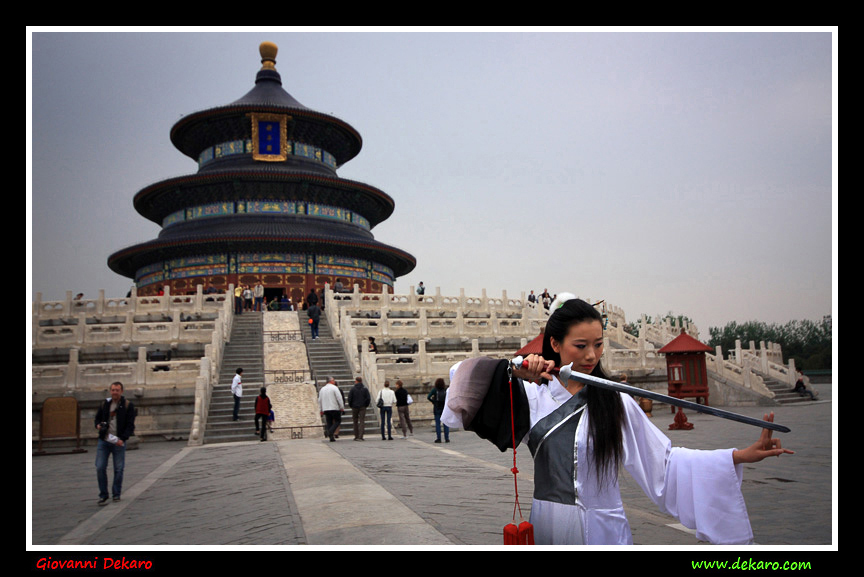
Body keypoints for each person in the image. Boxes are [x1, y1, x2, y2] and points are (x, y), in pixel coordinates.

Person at [442, 295, 793, 545]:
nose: (592, 355)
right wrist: (516, 367)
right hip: (548, 525)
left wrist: (738, 456)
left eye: (598, 343)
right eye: (580, 345)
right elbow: (460, 383)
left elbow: (666, 464)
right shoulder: (535, 394)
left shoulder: (616, 401)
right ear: (555, 343)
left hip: (602, 529)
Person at [94, 382, 136, 505]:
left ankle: (116, 493)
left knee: (118, 469)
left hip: (118, 441)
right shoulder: (105, 404)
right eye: (113, 390)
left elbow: (130, 425)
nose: (115, 392)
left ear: (121, 391)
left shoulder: (128, 405)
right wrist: (97, 425)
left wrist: (123, 438)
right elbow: (97, 418)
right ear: (110, 391)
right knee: (100, 467)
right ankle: (103, 494)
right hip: (104, 440)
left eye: (117, 390)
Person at [318, 377, 344, 442]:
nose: (334, 381)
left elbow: (320, 400)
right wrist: (342, 407)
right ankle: (331, 431)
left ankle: (331, 437)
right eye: (333, 380)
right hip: (334, 407)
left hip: (326, 408)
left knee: (329, 421)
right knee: (338, 420)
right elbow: (339, 398)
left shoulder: (322, 389)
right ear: (331, 381)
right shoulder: (335, 388)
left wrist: (321, 409)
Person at [428, 378, 449, 443]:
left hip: (437, 408)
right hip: (444, 408)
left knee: (438, 424)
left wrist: (433, 401)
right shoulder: (445, 390)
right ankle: (447, 438)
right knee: (445, 423)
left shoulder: (434, 390)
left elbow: (428, 397)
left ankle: (439, 438)